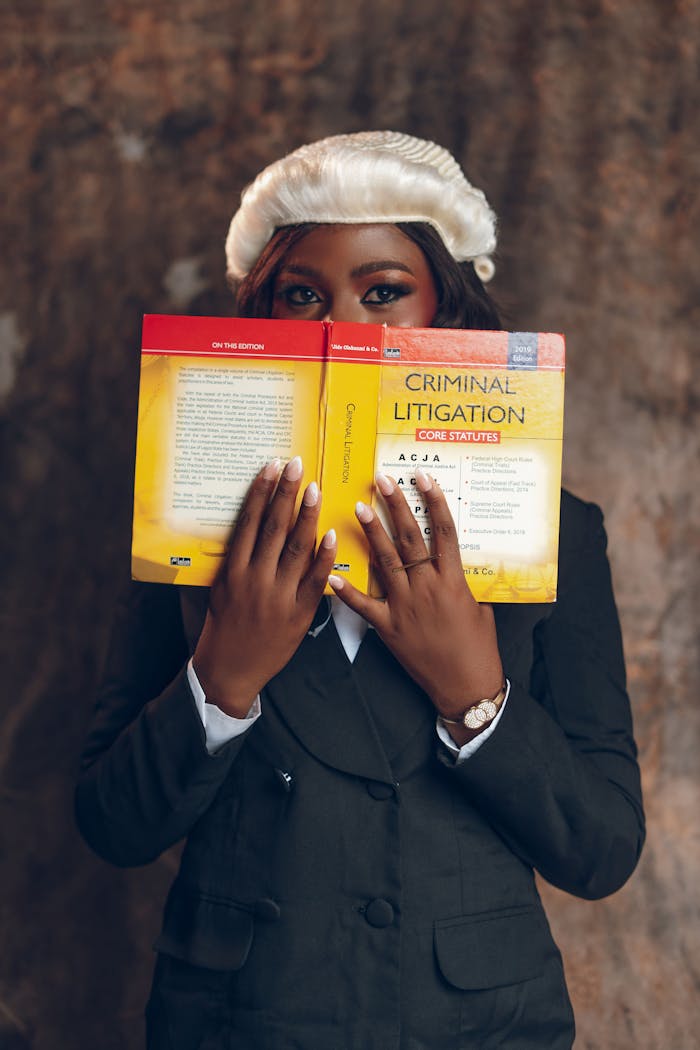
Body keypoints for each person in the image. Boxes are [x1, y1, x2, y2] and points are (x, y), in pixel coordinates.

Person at [76, 131, 645, 1050]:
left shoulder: (554, 530)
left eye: (384, 291)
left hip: (478, 1023)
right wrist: (221, 678)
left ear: (445, 314)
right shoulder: (187, 527)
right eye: (303, 294)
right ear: (263, 317)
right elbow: (112, 824)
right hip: (238, 1020)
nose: (343, 324)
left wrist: (476, 696)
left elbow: (601, 850)